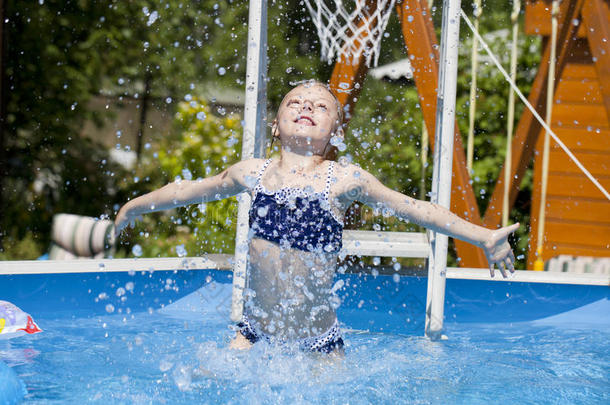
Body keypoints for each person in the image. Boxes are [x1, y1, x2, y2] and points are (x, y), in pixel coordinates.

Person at [114, 80, 519, 354]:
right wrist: (134, 205)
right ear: (275, 126)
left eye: (320, 106)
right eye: (294, 102)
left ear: (335, 131)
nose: (306, 105)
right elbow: (186, 190)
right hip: (253, 334)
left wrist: (482, 236)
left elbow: (416, 209)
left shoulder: (344, 179)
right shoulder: (252, 172)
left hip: (318, 341)